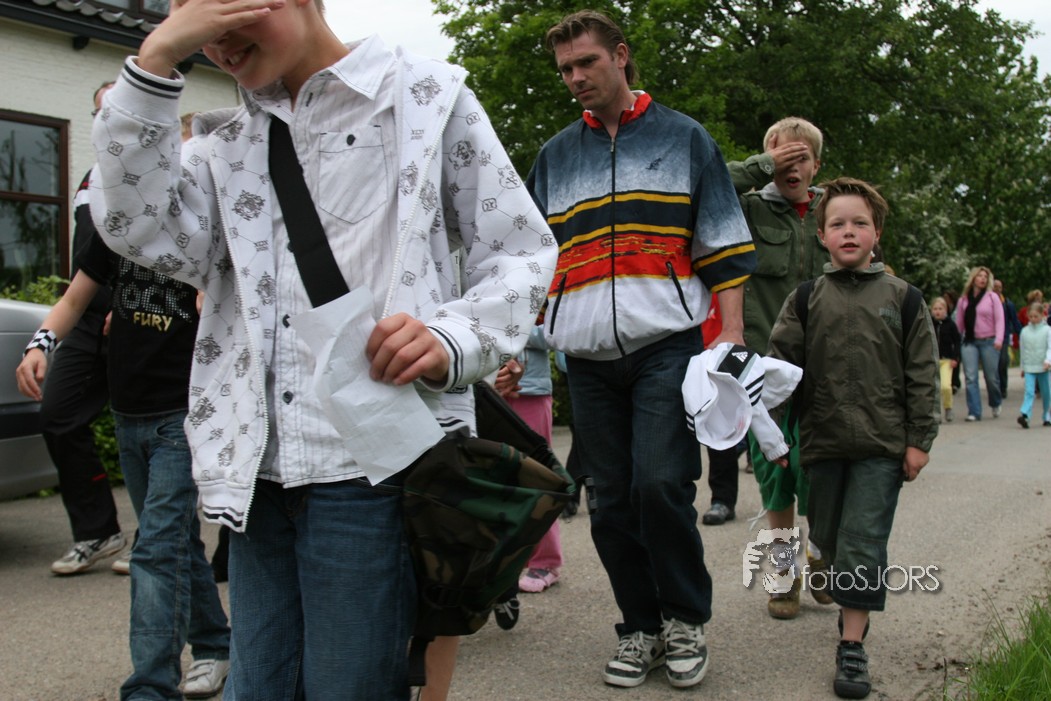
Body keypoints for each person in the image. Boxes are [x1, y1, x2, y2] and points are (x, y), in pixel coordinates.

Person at [89, 0, 556, 698]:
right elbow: (137, 228)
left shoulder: (422, 98)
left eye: (227, 15)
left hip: (374, 465)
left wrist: (451, 337)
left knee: (349, 685)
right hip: (258, 468)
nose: (217, 43)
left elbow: (518, 249)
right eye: (198, 28)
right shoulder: (224, 145)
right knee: (259, 687)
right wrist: (154, 62)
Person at [526, 10, 757, 689]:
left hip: (667, 348)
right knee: (610, 500)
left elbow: (721, 241)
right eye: (565, 69)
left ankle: (684, 617)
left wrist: (733, 333)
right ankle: (640, 626)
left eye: (587, 62)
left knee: (660, 484)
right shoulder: (555, 156)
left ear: (620, 56)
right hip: (585, 359)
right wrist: (518, 344)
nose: (575, 77)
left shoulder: (684, 138)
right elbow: (530, 261)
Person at [16, 220, 231, 699]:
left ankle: (150, 686)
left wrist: (213, 300)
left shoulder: (199, 216)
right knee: (174, 542)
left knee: (154, 549)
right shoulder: (114, 221)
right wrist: (40, 345)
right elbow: (75, 299)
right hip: (128, 413)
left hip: (182, 414)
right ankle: (216, 645)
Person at [767, 177, 939, 699]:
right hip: (821, 445)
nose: (849, 231)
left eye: (859, 223)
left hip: (881, 448)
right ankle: (832, 570)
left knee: (863, 541)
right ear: (821, 235)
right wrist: (772, 436)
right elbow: (778, 371)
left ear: (876, 233)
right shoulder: (805, 299)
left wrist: (919, 439)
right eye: (837, 223)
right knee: (828, 535)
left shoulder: (904, 299)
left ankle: (852, 644)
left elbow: (923, 374)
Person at [728, 116, 832, 618]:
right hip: (766, 369)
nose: (790, 165)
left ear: (817, 165)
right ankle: (784, 574)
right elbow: (704, 186)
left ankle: (823, 558)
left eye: (800, 157)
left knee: (823, 470)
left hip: (827, 368)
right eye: (780, 156)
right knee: (775, 474)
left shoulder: (832, 211)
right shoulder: (748, 208)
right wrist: (762, 166)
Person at [36, 81, 125, 577]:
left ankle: (158, 540)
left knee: (152, 433)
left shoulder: (155, 171)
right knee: (58, 414)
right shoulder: (90, 177)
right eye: (98, 112)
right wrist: (43, 339)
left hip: (141, 322)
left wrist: (128, 303)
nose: (105, 119)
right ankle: (97, 531)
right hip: (86, 320)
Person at [954, 266, 1004, 421]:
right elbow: (959, 323)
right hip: (969, 342)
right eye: (980, 276)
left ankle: (995, 402)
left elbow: (1000, 319)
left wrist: (999, 339)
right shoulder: (963, 300)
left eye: (985, 276)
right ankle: (974, 411)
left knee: (991, 377)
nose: (982, 279)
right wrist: (955, 342)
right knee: (970, 377)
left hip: (989, 341)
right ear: (973, 278)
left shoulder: (992, 297)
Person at [1017, 301, 1051, 428]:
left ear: (1042, 315)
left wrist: (1048, 360)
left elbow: (1050, 347)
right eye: (1030, 316)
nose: (1033, 319)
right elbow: (1023, 350)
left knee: (1046, 393)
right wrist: (1022, 367)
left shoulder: (1047, 330)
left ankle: (1047, 416)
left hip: (1043, 367)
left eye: (1036, 316)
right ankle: (1025, 415)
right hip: (1029, 366)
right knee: (1029, 391)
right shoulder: (1024, 331)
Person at [930, 296, 961, 423]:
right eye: (935, 309)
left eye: (940, 309)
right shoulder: (929, 324)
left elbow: (957, 342)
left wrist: (955, 358)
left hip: (946, 360)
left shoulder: (951, 325)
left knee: (945, 386)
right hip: (932, 360)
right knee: (934, 388)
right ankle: (936, 413)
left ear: (945, 310)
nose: (938, 311)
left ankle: (948, 408)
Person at [993, 279, 1021, 400]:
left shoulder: (1008, 304)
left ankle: (1003, 387)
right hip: (989, 337)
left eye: (999, 287)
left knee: (1003, 362)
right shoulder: (986, 303)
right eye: (994, 287)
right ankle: (994, 387)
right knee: (992, 365)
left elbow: (1014, 320)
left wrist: (1022, 334)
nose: (997, 289)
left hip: (1003, 337)